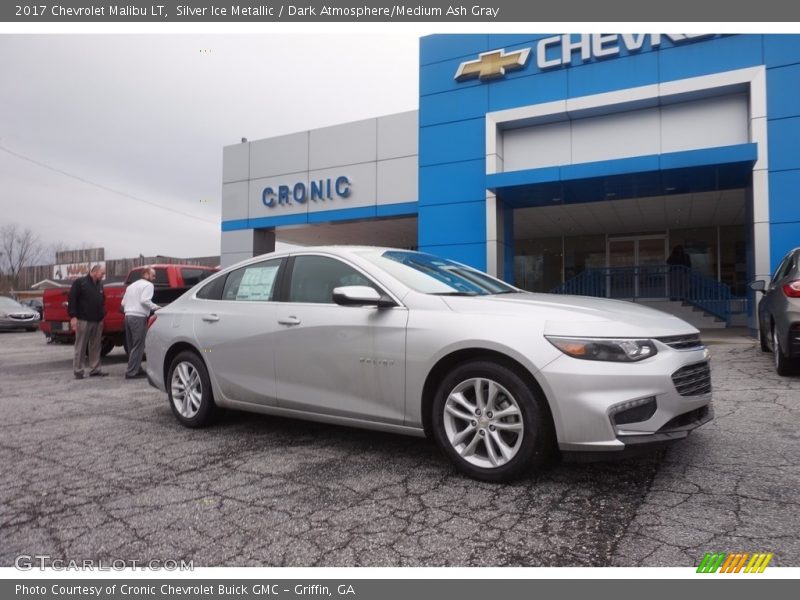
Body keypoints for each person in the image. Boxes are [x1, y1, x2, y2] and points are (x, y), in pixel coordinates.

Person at [68, 264, 107, 379]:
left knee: (95, 346)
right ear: (94, 272)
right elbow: (72, 299)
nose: (103, 276)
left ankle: (95, 369)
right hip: (83, 320)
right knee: (80, 346)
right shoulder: (80, 283)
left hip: (97, 320)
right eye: (102, 273)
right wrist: (73, 317)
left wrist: (102, 315)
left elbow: (102, 300)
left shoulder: (99, 285)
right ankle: (78, 371)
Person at [121, 266, 160, 379]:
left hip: (128, 316)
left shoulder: (131, 286)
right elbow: (144, 300)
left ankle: (136, 368)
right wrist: (156, 307)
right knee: (139, 345)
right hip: (138, 317)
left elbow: (123, 303)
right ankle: (131, 372)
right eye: (153, 275)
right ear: (146, 274)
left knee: (132, 345)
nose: (154, 278)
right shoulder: (148, 285)